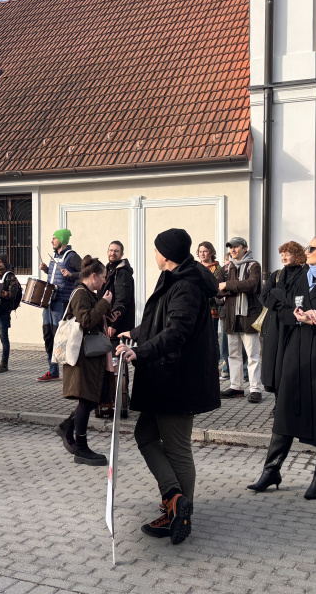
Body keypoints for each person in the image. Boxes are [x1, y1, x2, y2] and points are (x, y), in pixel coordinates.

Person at [115, 228, 220, 545]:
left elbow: (176, 331)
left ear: (167, 254)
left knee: (177, 447)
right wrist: (134, 334)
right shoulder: (174, 277)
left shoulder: (186, 285)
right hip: (162, 377)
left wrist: (141, 351)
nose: (154, 254)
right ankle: (174, 498)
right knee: (145, 435)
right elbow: (159, 320)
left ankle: (179, 513)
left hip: (178, 379)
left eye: (157, 249)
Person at [247, 235, 316, 500]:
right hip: (295, 353)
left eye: (311, 248)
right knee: (285, 412)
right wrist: (297, 317)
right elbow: (285, 310)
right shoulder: (301, 278)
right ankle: (271, 471)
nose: (306, 252)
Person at [52, 256, 114, 465]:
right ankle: (81, 448)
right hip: (82, 356)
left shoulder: (89, 293)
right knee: (87, 399)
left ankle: (67, 427)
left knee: (93, 398)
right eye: (103, 277)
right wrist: (104, 304)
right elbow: (86, 320)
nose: (104, 281)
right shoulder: (80, 293)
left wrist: (107, 312)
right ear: (93, 276)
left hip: (90, 356)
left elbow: (93, 317)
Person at [217, 236, 264, 403]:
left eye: (236, 247)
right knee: (233, 355)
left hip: (249, 316)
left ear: (245, 248)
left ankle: (255, 389)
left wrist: (228, 286)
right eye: (230, 247)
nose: (233, 250)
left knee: (253, 355)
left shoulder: (254, 265)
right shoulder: (225, 267)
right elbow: (217, 289)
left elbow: (251, 285)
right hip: (230, 317)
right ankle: (236, 387)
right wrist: (234, 287)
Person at [258, 241, 307, 395]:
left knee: (286, 361)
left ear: (297, 255)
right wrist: (283, 300)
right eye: (282, 254)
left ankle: (287, 399)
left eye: (288, 254)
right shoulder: (276, 274)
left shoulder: (304, 274)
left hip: (292, 324)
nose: (283, 257)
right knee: (272, 362)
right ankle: (277, 399)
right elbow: (264, 297)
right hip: (274, 324)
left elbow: (297, 299)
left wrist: (276, 293)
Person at [38, 229, 82, 382]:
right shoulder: (55, 256)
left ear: (62, 240)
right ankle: (53, 371)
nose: (52, 241)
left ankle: (70, 372)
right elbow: (56, 276)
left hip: (61, 302)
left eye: (54, 238)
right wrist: (46, 270)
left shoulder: (72, 257)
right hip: (49, 301)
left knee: (61, 337)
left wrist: (72, 275)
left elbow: (86, 273)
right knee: (48, 336)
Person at [97, 241, 135, 419]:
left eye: (116, 251)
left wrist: (113, 324)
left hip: (118, 328)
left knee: (117, 364)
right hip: (108, 325)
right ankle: (113, 400)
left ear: (121, 253)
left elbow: (122, 301)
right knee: (111, 364)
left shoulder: (122, 273)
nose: (113, 253)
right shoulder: (109, 269)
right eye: (111, 250)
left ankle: (121, 401)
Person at [196, 241, 223, 369]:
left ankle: (214, 367)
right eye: (200, 251)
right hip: (197, 310)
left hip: (212, 310)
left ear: (211, 252)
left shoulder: (217, 269)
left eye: (205, 251)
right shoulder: (196, 268)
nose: (202, 254)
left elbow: (215, 288)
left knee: (212, 340)